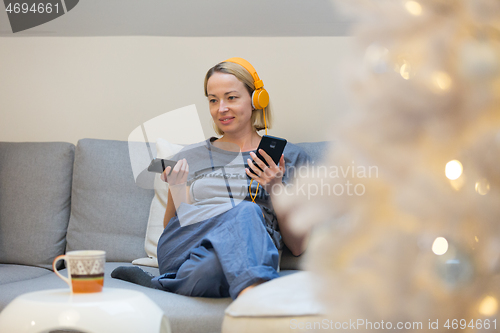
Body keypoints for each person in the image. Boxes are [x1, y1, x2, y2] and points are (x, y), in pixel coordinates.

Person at [112, 58, 311, 299]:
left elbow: (298, 246)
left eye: (232, 97)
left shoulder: (288, 157)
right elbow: (175, 228)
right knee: (245, 210)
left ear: (256, 100)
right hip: (185, 248)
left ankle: (167, 284)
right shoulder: (189, 156)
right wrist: (177, 185)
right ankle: (256, 303)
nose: (221, 108)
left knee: (227, 245)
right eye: (213, 100)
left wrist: (275, 187)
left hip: (237, 256)